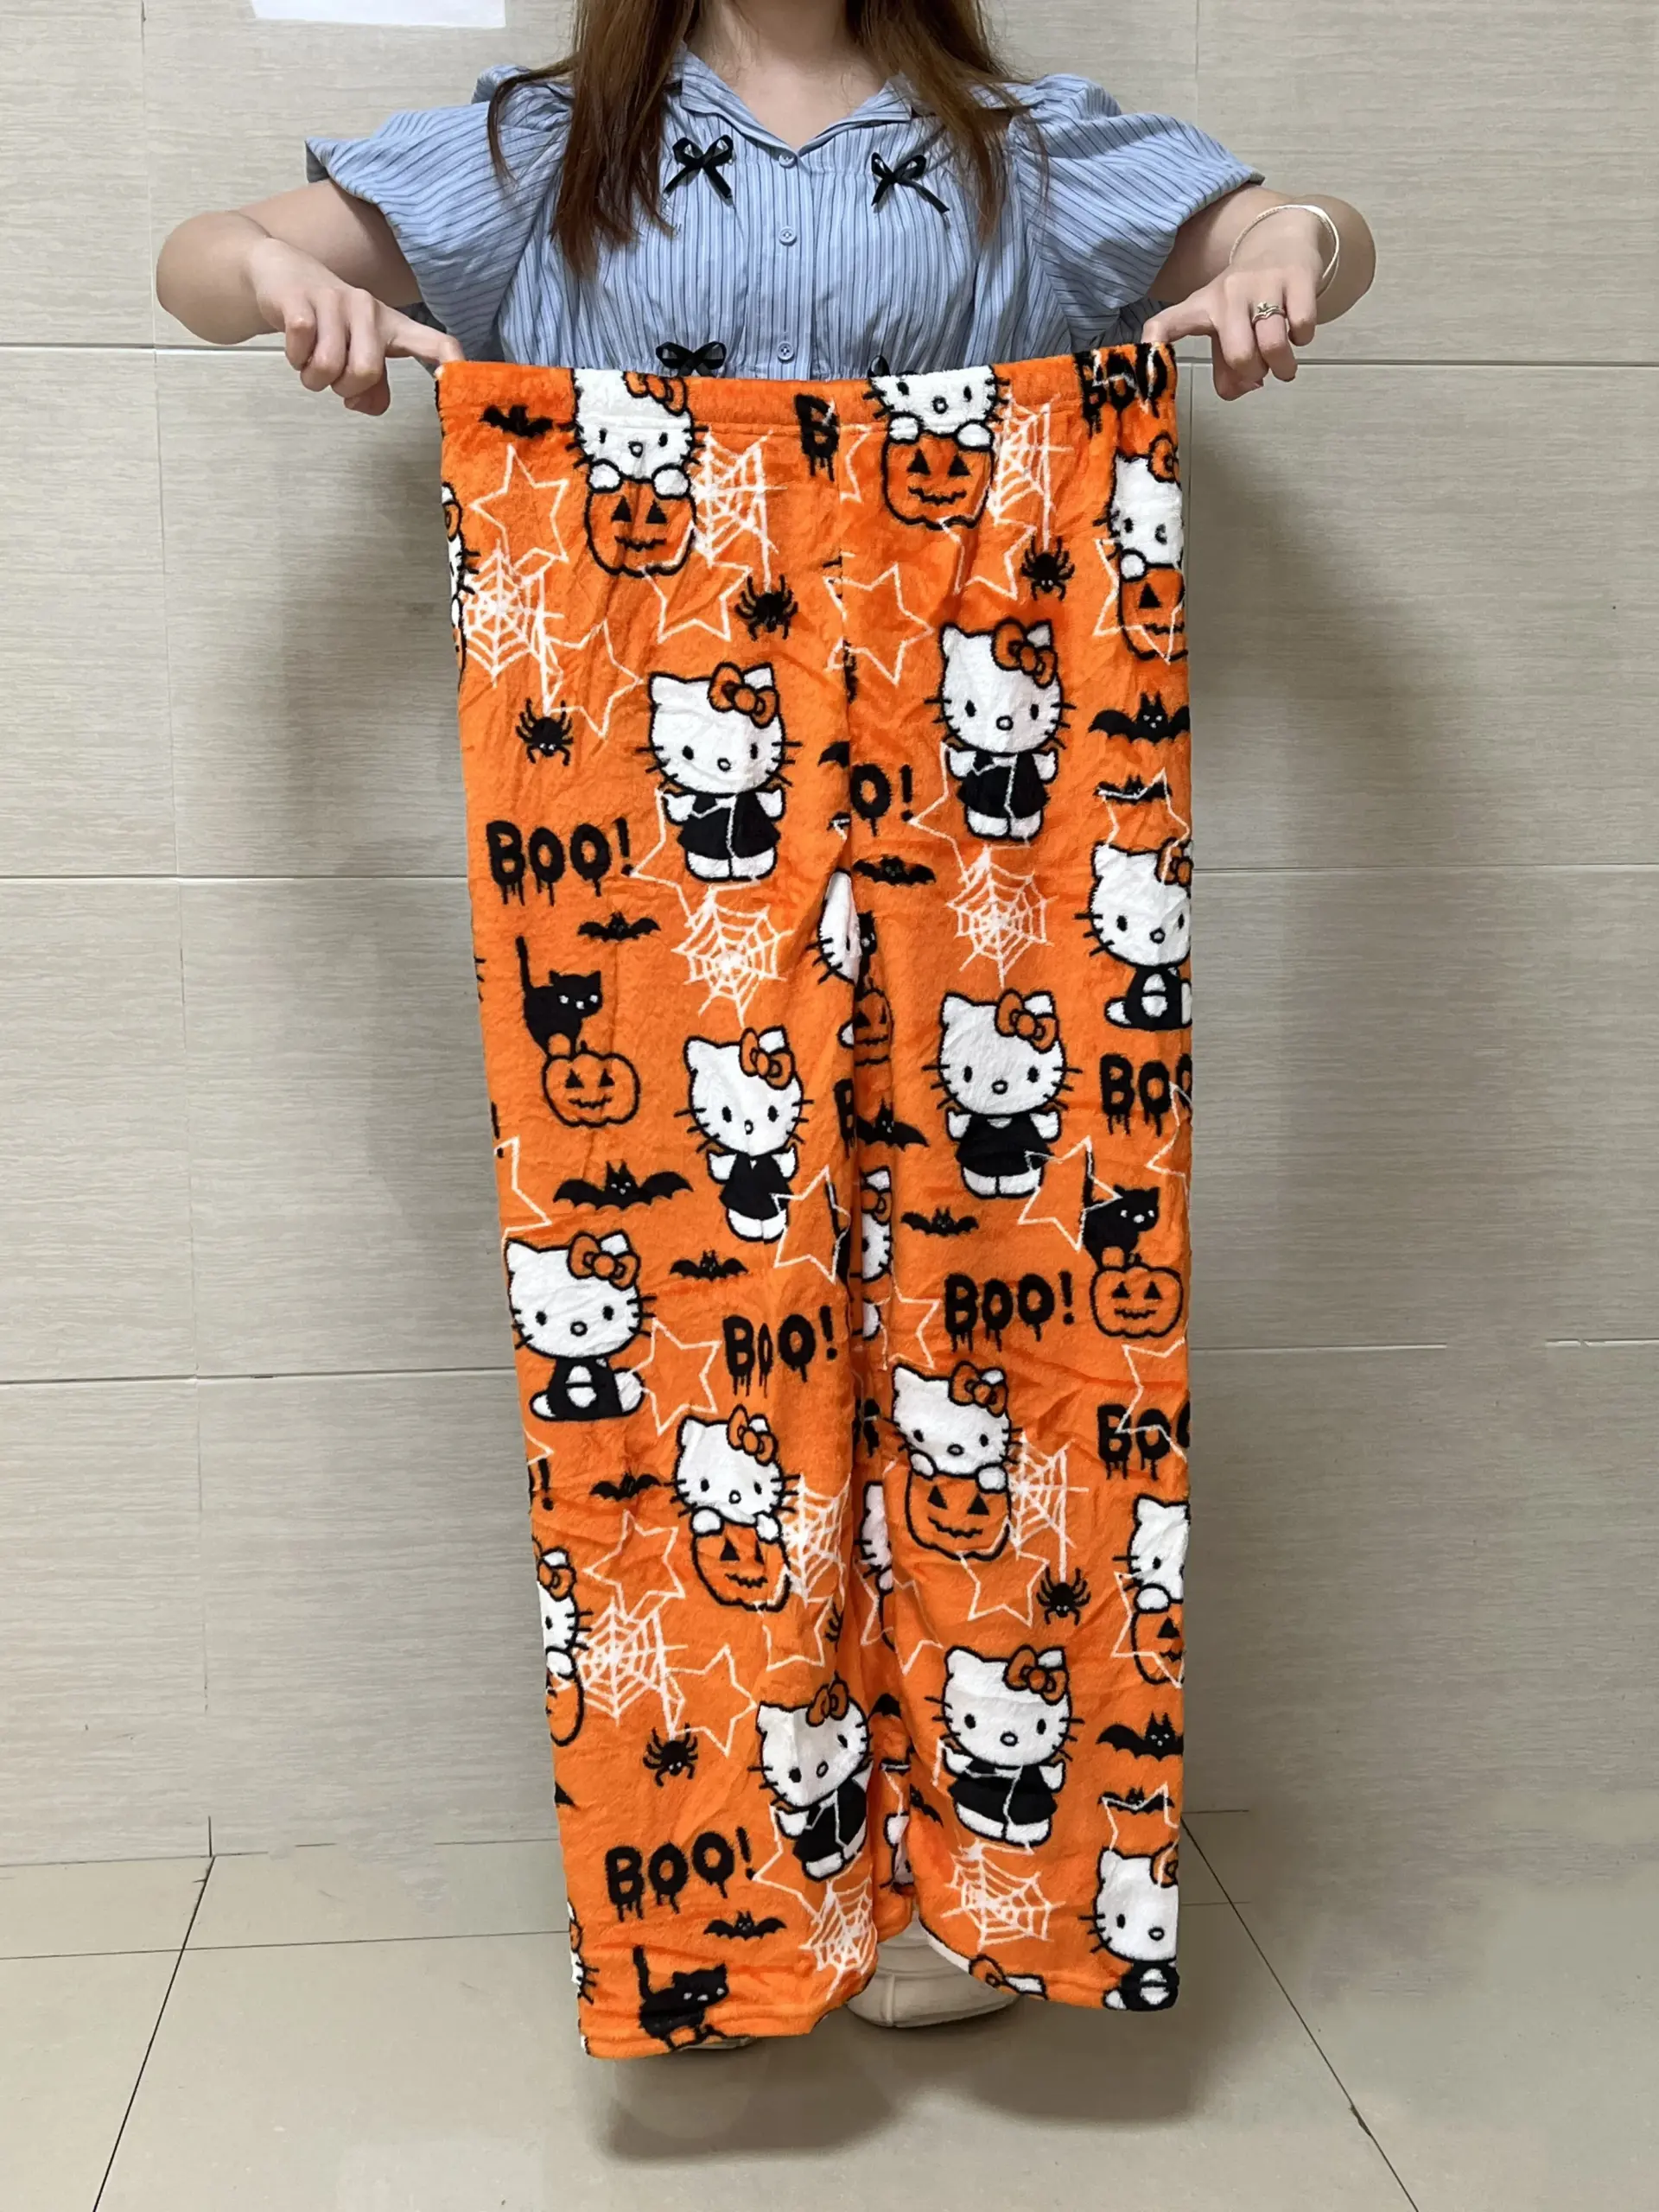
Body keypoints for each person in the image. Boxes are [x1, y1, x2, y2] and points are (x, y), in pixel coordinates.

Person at [157, 0, 1374, 2051]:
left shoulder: (1015, 142)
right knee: (688, 1311)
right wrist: (269, 278)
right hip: (650, 767)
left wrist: (1291, 252)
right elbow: (206, 256)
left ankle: (993, 1878)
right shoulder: (547, 148)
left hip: (990, 761)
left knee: (1021, 1284)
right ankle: (741, 1892)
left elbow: (1304, 225)